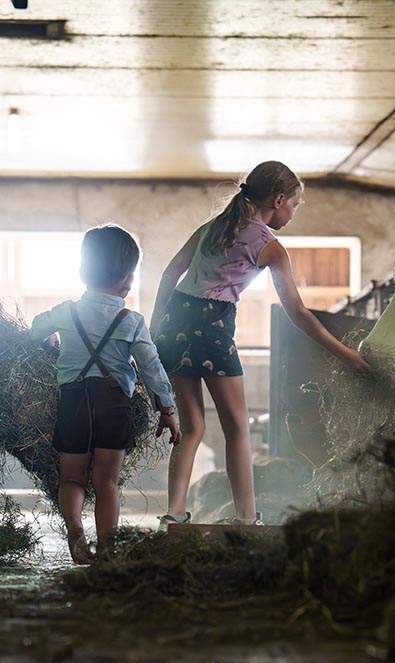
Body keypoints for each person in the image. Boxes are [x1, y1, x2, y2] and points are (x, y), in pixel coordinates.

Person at [150, 161, 371, 526]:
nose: (293, 213)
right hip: (213, 328)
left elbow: (169, 273)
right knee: (237, 428)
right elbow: (298, 313)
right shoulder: (270, 246)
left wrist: (157, 330)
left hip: (176, 325)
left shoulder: (212, 227)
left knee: (192, 428)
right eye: (295, 205)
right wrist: (345, 354)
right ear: (279, 199)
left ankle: (173, 515)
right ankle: (247, 519)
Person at [30, 224, 180, 564]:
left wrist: (49, 339)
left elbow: (35, 328)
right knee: (107, 481)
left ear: (83, 272)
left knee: (72, 477)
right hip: (115, 405)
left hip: (73, 402)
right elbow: (151, 367)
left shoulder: (66, 312)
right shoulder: (132, 321)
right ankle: (109, 550)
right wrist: (167, 409)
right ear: (128, 281)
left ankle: (75, 530)